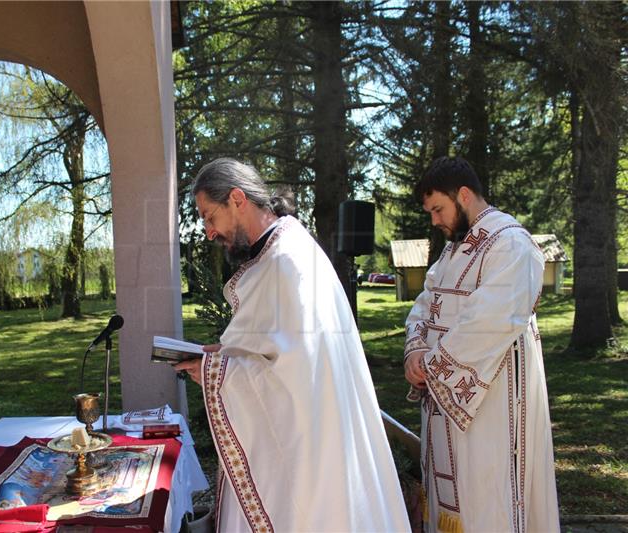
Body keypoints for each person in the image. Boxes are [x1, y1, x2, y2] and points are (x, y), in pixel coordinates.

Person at [175, 158, 409, 532]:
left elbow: (295, 376)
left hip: (309, 453)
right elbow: (279, 349)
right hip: (319, 438)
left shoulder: (286, 261)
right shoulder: (288, 249)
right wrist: (219, 357)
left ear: (237, 198)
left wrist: (215, 374)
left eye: (209, 216)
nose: (208, 231)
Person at [403, 156, 559, 533]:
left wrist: (434, 366)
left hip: (491, 403)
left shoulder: (511, 244)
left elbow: (491, 321)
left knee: (489, 494)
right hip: (446, 401)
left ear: (465, 195)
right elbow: (425, 302)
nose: (435, 221)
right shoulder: (454, 249)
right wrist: (415, 351)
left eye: (438, 209)